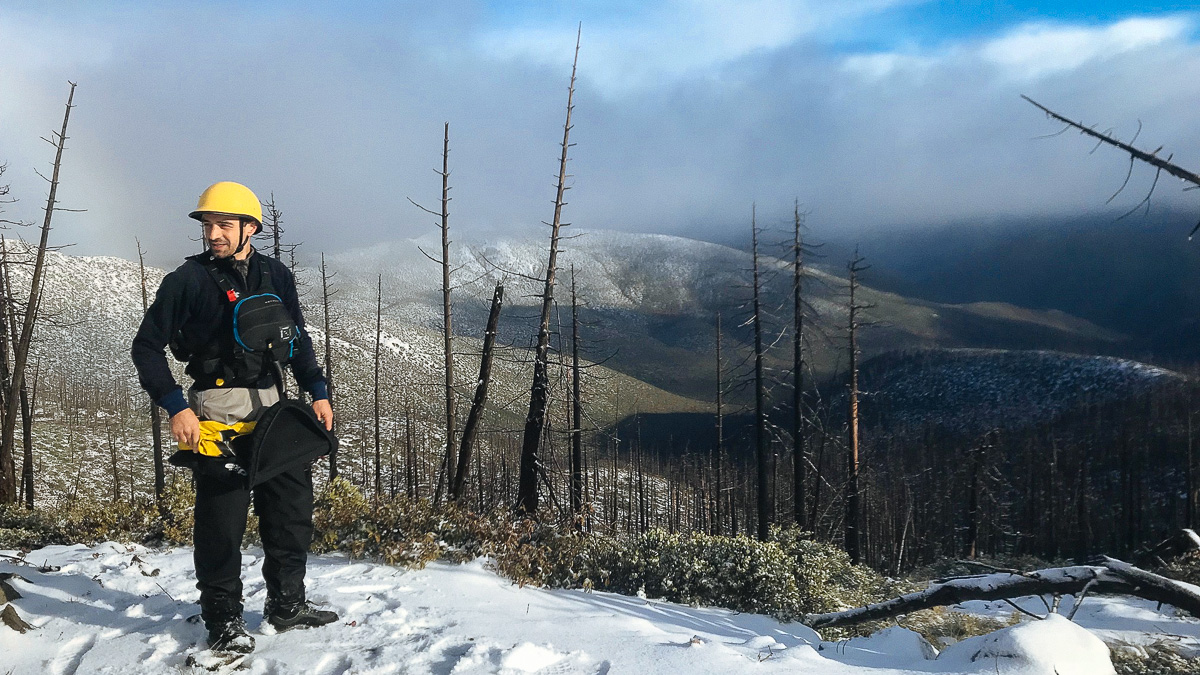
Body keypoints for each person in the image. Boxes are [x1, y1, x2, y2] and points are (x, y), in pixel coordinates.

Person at [132, 181, 338, 653]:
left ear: (250, 228)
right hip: (214, 416)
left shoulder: (274, 274)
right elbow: (146, 346)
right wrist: (175, 406)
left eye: (225, 224)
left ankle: (288, 604)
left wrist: (318, 390)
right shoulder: (187, 281)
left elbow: (297, 336)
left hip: (274, 411)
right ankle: (222, 620)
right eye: (209, 225)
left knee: (291, 514)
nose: (214, 234)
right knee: (221, 526)